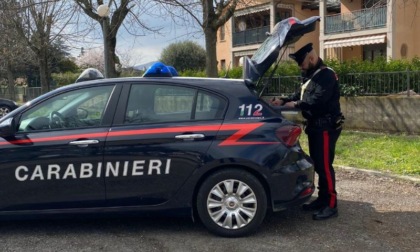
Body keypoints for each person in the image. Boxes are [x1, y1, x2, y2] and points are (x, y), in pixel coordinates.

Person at [271, 43, 344, 220]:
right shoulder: (312, 75)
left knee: (325, 167)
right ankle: (322, 199)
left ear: (311, 58)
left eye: (302, 63)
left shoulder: (327, 75)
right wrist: (284, 100)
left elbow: (317, 101)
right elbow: (300, 94)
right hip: (315, 126)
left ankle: (331, 205)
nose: (300, 67)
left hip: (326, 127)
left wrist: (295, 105)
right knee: (319, 165)